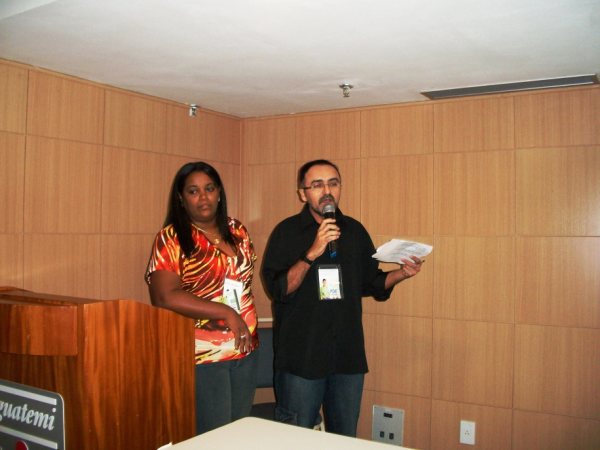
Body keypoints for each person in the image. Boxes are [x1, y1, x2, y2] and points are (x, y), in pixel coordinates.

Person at [261, 159, 423, 437]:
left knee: (344, 437)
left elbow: (372, 283)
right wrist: (313, 251)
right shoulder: (286, 232)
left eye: (333, 183)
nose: (327, 191)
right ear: (303, 194)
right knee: (295, 439)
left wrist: (401, 273)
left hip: (347, 357)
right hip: (302, 358)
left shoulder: (354, 231)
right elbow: (278, 289)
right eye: (317, 185)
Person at [145, 161, 259, 434]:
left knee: (239, 433)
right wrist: (226, 313)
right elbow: (164, 296)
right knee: (215, 436)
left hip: (245, 347)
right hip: (203, 355)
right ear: (181, 198)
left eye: (209, 188)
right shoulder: (171, 238)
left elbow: (243, 283)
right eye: (193, 191)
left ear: (219, 192)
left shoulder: (237, 230)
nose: (203, 197)